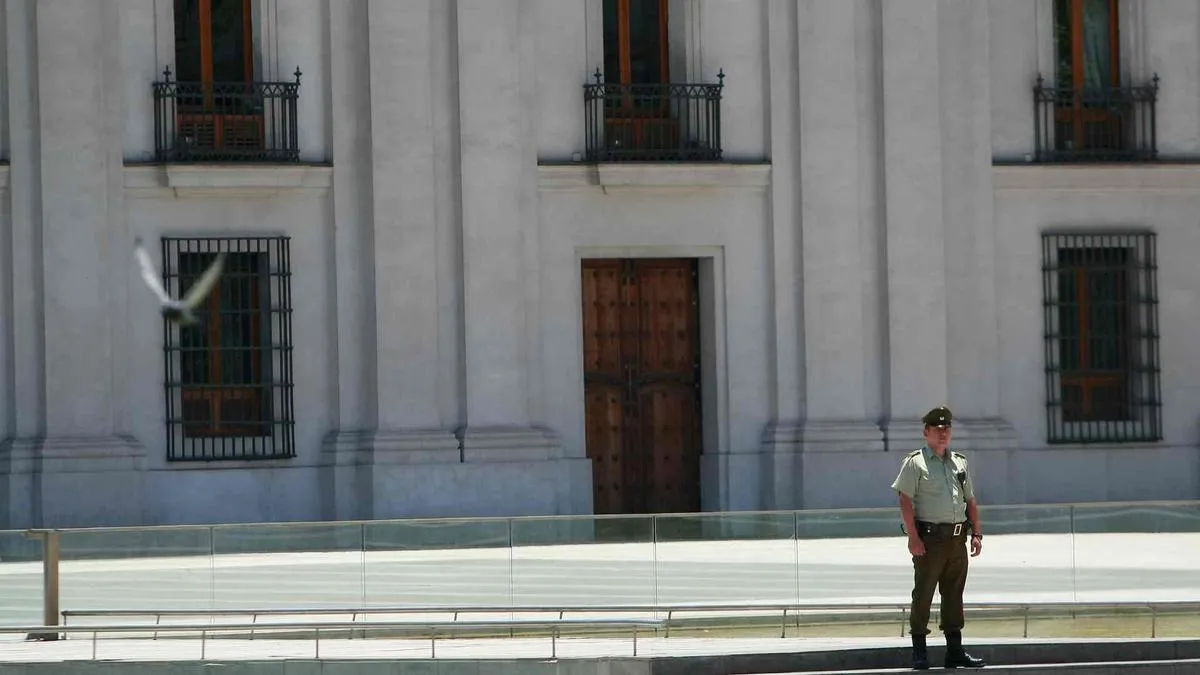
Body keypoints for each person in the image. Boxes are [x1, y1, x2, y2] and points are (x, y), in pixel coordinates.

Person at [891, 405, 986, 669]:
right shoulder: (915, 463)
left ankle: (954, 651)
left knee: (954, 594)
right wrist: (913, 538)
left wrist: (976, 533)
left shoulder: (959, 462)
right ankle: (919, 652)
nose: (943, 433)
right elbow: (905, 501)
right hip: (930, 540)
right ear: (926, 432)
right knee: (924, 593)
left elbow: (970, 499)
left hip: (957, 539)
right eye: (937, 429)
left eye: (946, 429)